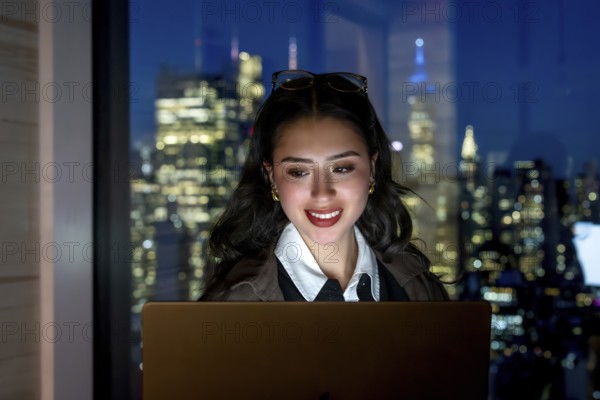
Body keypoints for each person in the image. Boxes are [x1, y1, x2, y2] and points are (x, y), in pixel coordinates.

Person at [200, 70, 449, 302]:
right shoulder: (234, 303)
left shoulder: (418, 287)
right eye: (298, 172)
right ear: (272, 178)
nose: (322, 193)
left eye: (341, 169)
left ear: (372, 170)